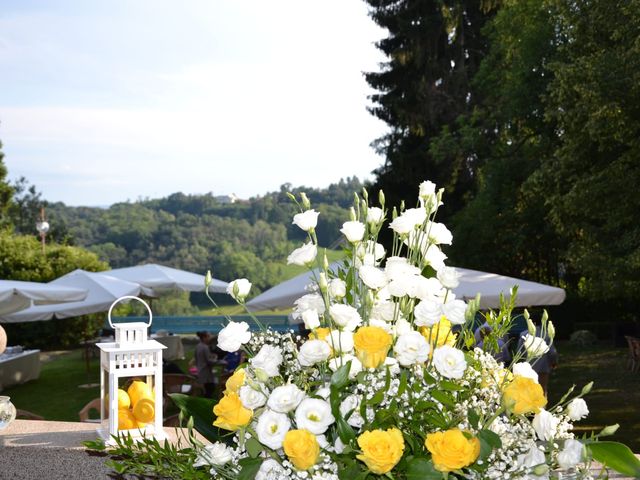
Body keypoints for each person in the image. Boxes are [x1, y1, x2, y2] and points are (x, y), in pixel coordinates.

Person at [518, 324, 558, 396]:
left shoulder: (523, 334)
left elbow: (519, 351)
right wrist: (554, 362)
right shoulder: (546, 335)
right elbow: (552, 352)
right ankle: (542, 406)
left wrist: (521, 364)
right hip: (543, 367)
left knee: (529, 389)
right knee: (542, 388)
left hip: (528, 366)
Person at [195, 331, 218, 398]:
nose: (210, 338)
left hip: (200, 370)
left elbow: (197, 358)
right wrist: (217, 360)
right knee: (211, 388)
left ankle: (205, 397)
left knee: (206, 387)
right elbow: (209, 361)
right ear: (204, 338)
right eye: (208, 336)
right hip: (206, 372)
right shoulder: (205, 347)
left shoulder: (198, 346)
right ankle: (207, 400)